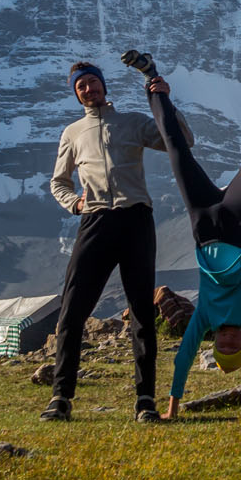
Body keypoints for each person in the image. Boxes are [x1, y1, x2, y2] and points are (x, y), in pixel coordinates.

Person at [138, 60, 241, 419]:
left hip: (204, 224)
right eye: (231, 346)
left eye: (222, 345)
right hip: (239, 223)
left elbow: (185, 356)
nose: (226, 341)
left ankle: (152, 83)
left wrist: (172, 408)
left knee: (176, 151)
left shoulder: (205, 318)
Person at [43, 62, 188, 423]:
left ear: (104, 87)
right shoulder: (73, 133)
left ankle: (145, 400)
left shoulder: (134, 122)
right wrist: (73, 202)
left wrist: (166, 102)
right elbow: (58, 181)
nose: (89, 90)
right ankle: (61, 397)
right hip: (94, 220)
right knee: (73, 309)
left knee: (141, 310)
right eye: (82, 87)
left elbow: (181, 140)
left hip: (136, 218)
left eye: (93, 83)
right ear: (76, 93)